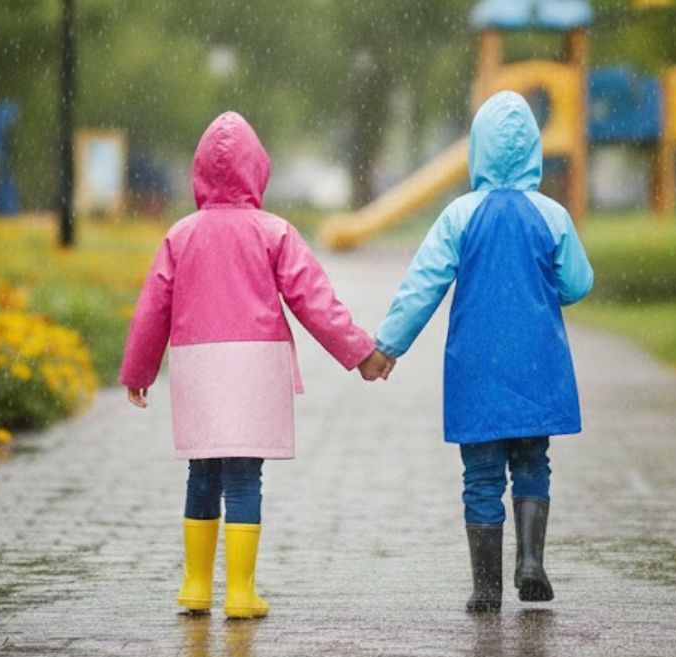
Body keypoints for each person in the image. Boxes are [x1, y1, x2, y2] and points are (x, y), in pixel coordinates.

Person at [120, 111, 391, 619]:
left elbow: (153, 307)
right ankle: (241, 593)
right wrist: (360, 353)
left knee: (202, 473)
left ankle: (196, 585)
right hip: (254, 366)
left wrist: (139, 371)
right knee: (244, 477)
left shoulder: (181, 235)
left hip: (198, 364)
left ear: (199, 171)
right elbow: (314, 300)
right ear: (257, 170)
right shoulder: (274, 233)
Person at [373, 91, 593, 612]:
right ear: (534, 149)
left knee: (481, 476)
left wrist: (388, 345)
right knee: (533, 460)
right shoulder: (551, 215)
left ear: (479, 149)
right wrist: (543, 287)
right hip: (536, 363)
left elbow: (423, 285)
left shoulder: (460, 215)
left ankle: (487, 588)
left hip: (476, 368)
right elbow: (578, 282)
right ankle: (531, 560)